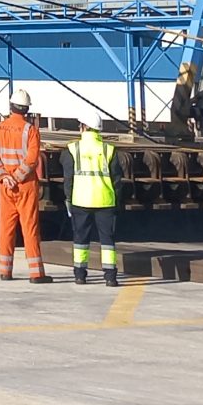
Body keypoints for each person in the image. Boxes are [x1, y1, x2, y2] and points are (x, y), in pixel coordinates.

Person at [0, 89, 46, 283]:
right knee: (30, 228)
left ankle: (5, 271)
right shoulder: (31, 130)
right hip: (25, 185)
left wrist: (4, 177)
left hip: (6, 187)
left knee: (6, 228)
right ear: (26, 109)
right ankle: (36, 273)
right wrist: (17, 177)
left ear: (11, 107)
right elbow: (32, 159)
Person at [67, 122, 120, 287]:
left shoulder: (72, 149)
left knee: (81, 239)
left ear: (82, 126)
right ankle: (110, 276)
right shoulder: (109, 149)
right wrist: (116, 200)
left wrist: (68, 198)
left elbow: (68, 179)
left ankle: (80, 275)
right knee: (107, 240)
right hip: (105, 201)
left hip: (80, 200)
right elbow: (117, 180)